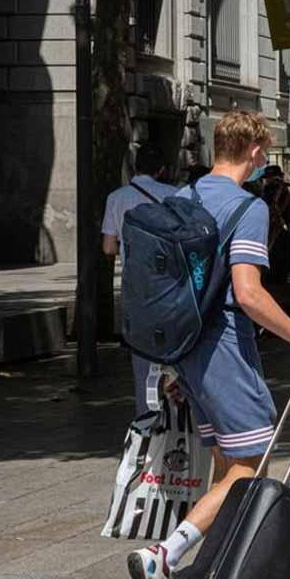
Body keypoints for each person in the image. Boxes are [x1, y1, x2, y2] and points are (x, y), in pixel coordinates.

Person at [126, 110, 290, 579]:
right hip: (224, 349)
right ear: (257, 152)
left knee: (226, 459)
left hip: (183, 349)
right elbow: (248, 292)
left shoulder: (181, 199)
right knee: (251, 464)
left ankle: (211, 566)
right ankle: (164, 557)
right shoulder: (248, 208)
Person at [101, 142, 179, 416]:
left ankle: (147, 417)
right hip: (171, 286)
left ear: (135, 168)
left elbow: (109, 247)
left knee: (142, 354)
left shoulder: (116, 197)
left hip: (136, 287)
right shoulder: (176, 194)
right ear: (162, 170)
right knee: (175, 350)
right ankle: (177, 413)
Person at [262, 165, 290, 284]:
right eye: (269, 178)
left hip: (279, 233)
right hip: (269, 232)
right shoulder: (266, 191)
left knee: (279, 266)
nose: (270, 181)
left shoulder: (282, 191)